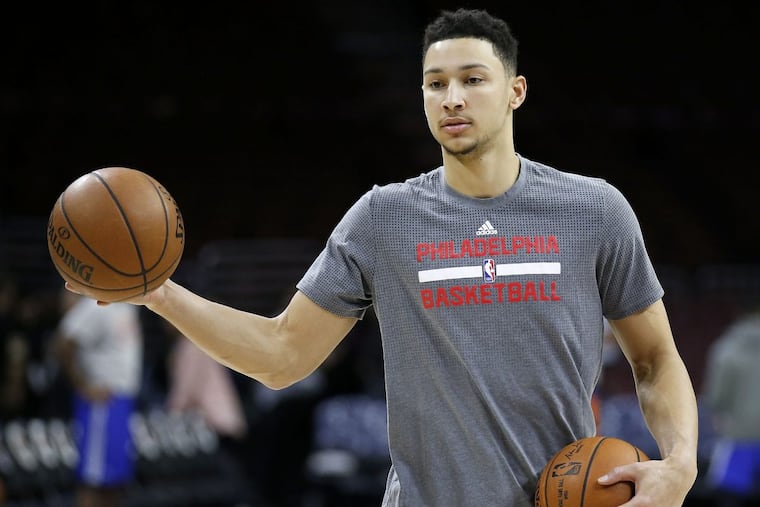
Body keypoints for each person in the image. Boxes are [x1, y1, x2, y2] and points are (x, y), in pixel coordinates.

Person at [68, 8, 699, 506]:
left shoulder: (594, 211)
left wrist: (679, 465)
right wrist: (158, 292)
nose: (452, 97)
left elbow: (654, 358)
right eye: (435, 84)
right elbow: (283, 356)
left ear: (515, 91)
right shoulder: (382, 218)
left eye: (472, 80)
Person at [54, 290, 143, 507]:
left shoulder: (128, 305)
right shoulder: (96, 304)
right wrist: (83, 385)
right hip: (101, 406)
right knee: (93, 482)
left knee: (114, 482)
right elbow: (63, 342)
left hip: (122, 402)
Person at [702, 304, 760, 505]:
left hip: (738, 436)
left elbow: (718, 395)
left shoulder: (728, 348)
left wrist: (718, 414)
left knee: (730, 496)